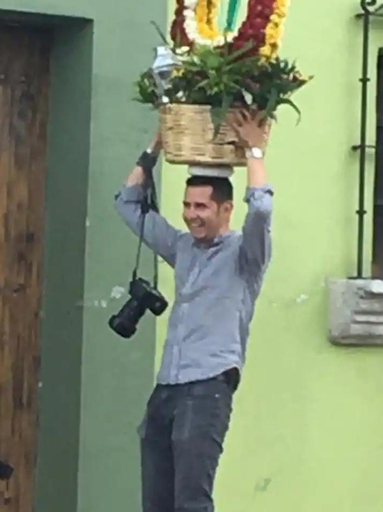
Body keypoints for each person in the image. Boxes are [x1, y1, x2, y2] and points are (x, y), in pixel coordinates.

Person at [114, 110, 272, 512]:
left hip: (208, 388)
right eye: (187, 205)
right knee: (157, 503)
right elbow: (128, 205)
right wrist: (155, 146)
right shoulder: (183, 247)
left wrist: (254, 149)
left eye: (201, 206)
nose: (191, 214)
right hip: (167, 387)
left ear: (225, 210)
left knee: (191, 503)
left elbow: (262, 210)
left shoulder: (245, 255)